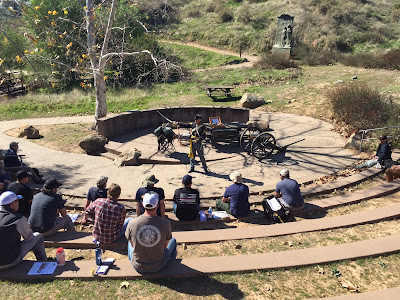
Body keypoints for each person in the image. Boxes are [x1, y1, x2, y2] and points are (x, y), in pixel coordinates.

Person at [125, 193, 177, 273]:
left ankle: (130, 261)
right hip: (159, 265)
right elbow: (164, 247)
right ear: (157, 205)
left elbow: (132, 244)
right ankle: (173, 265)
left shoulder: (132, 222)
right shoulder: (166, 223)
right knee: (173, 240)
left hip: (138, 265)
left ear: (142, 205)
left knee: (129, 242)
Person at [0, 191, 47, 270]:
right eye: (17, 201)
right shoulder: (18, 219)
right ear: (12, 204)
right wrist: (27, 228)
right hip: (10, 261)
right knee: (38, 236)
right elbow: (29, 238)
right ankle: (44, 262)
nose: (18, 203)